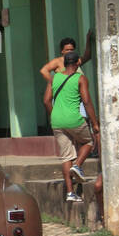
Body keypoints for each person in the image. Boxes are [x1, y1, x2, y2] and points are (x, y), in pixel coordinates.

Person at [46, 48, 99, 202]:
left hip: (56, 121)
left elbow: (46, 100)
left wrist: (54, 114)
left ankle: (70, 193)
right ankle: (78, 165)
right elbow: (87, 101)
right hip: (74, 119)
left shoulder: (54, 78)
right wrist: (95, 123)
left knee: (65, 157)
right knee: (88, 142)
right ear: (77, 63)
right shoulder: (80, 78)